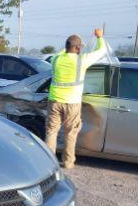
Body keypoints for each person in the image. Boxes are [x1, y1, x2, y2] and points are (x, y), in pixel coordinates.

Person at [45, 28, 108, 169]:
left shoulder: (56, 59)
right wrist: (99, 37)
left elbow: (61, 51)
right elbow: (102, 51)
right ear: (77, 48)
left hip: (54, 100)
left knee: (51, 131)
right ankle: (68, 162)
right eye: (80, 47)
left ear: (66, 47)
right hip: (72, 103)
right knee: (70, 133)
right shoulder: (82, 60)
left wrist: (70, 44)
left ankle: (48, 163)